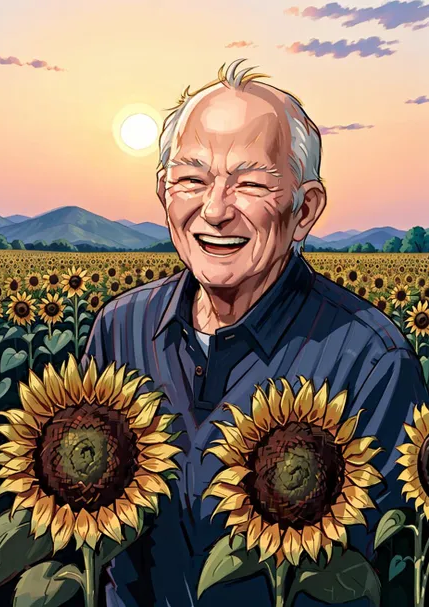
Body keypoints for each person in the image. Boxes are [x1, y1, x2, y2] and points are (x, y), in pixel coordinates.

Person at [81, 59, 429, 606]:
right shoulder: (120, 330)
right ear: (163, 193)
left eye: (250, 184)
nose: (215, 210)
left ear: (305, 209)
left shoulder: (370, 361)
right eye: (192, 179)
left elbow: (384, 569)